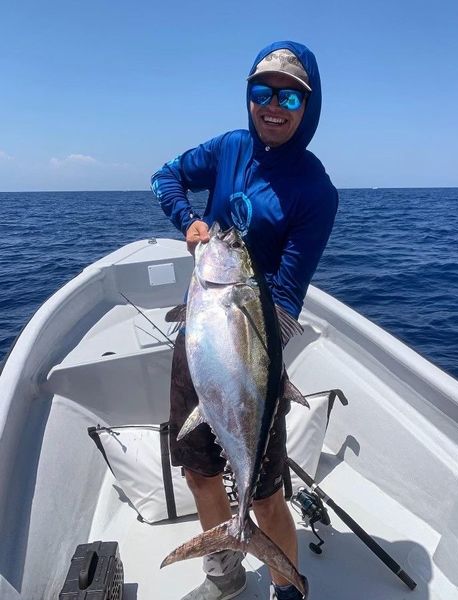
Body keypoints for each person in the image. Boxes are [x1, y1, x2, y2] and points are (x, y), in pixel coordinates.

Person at [151, 41, 338, 600]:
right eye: (262, 92)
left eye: (289, 96)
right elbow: (165, 176)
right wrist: (188, 221)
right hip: (199, 335)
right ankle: (226, 578)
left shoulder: (315, 191)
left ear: (309, 105)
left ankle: (286, 587)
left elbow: (286, 294)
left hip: (251, 349)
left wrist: (267, 369)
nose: (273, 105)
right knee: (200, 474)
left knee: (264, 495)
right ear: (249, 97)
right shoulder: (230, 148)